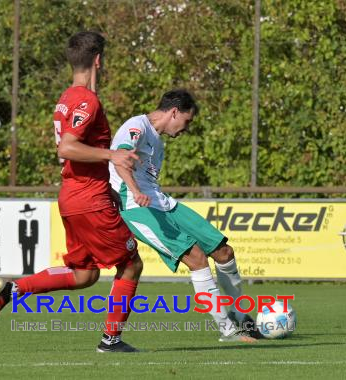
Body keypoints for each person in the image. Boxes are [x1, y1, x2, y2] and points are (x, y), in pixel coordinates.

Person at [0, 31, 143, 353]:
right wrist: (112, 155)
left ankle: (13, 290)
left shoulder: (67, 98)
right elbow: (68, 146)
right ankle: (111, 340)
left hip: (75, 193)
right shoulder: (87, 100)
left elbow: (73, 148)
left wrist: (106, 184)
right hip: (86, 197)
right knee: (131, 265)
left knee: (84, 275)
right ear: (99, 60)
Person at [109, 89, 261, 343]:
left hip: (161, 202)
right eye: (187, 121)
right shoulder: (137, 126)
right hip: (135, 206)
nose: (186, 128)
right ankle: (228, 331)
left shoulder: (157, 142)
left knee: (224, 252)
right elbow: (120, 159)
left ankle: (240, 316)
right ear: (173, 112)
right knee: (197, 259)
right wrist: (135, 191)